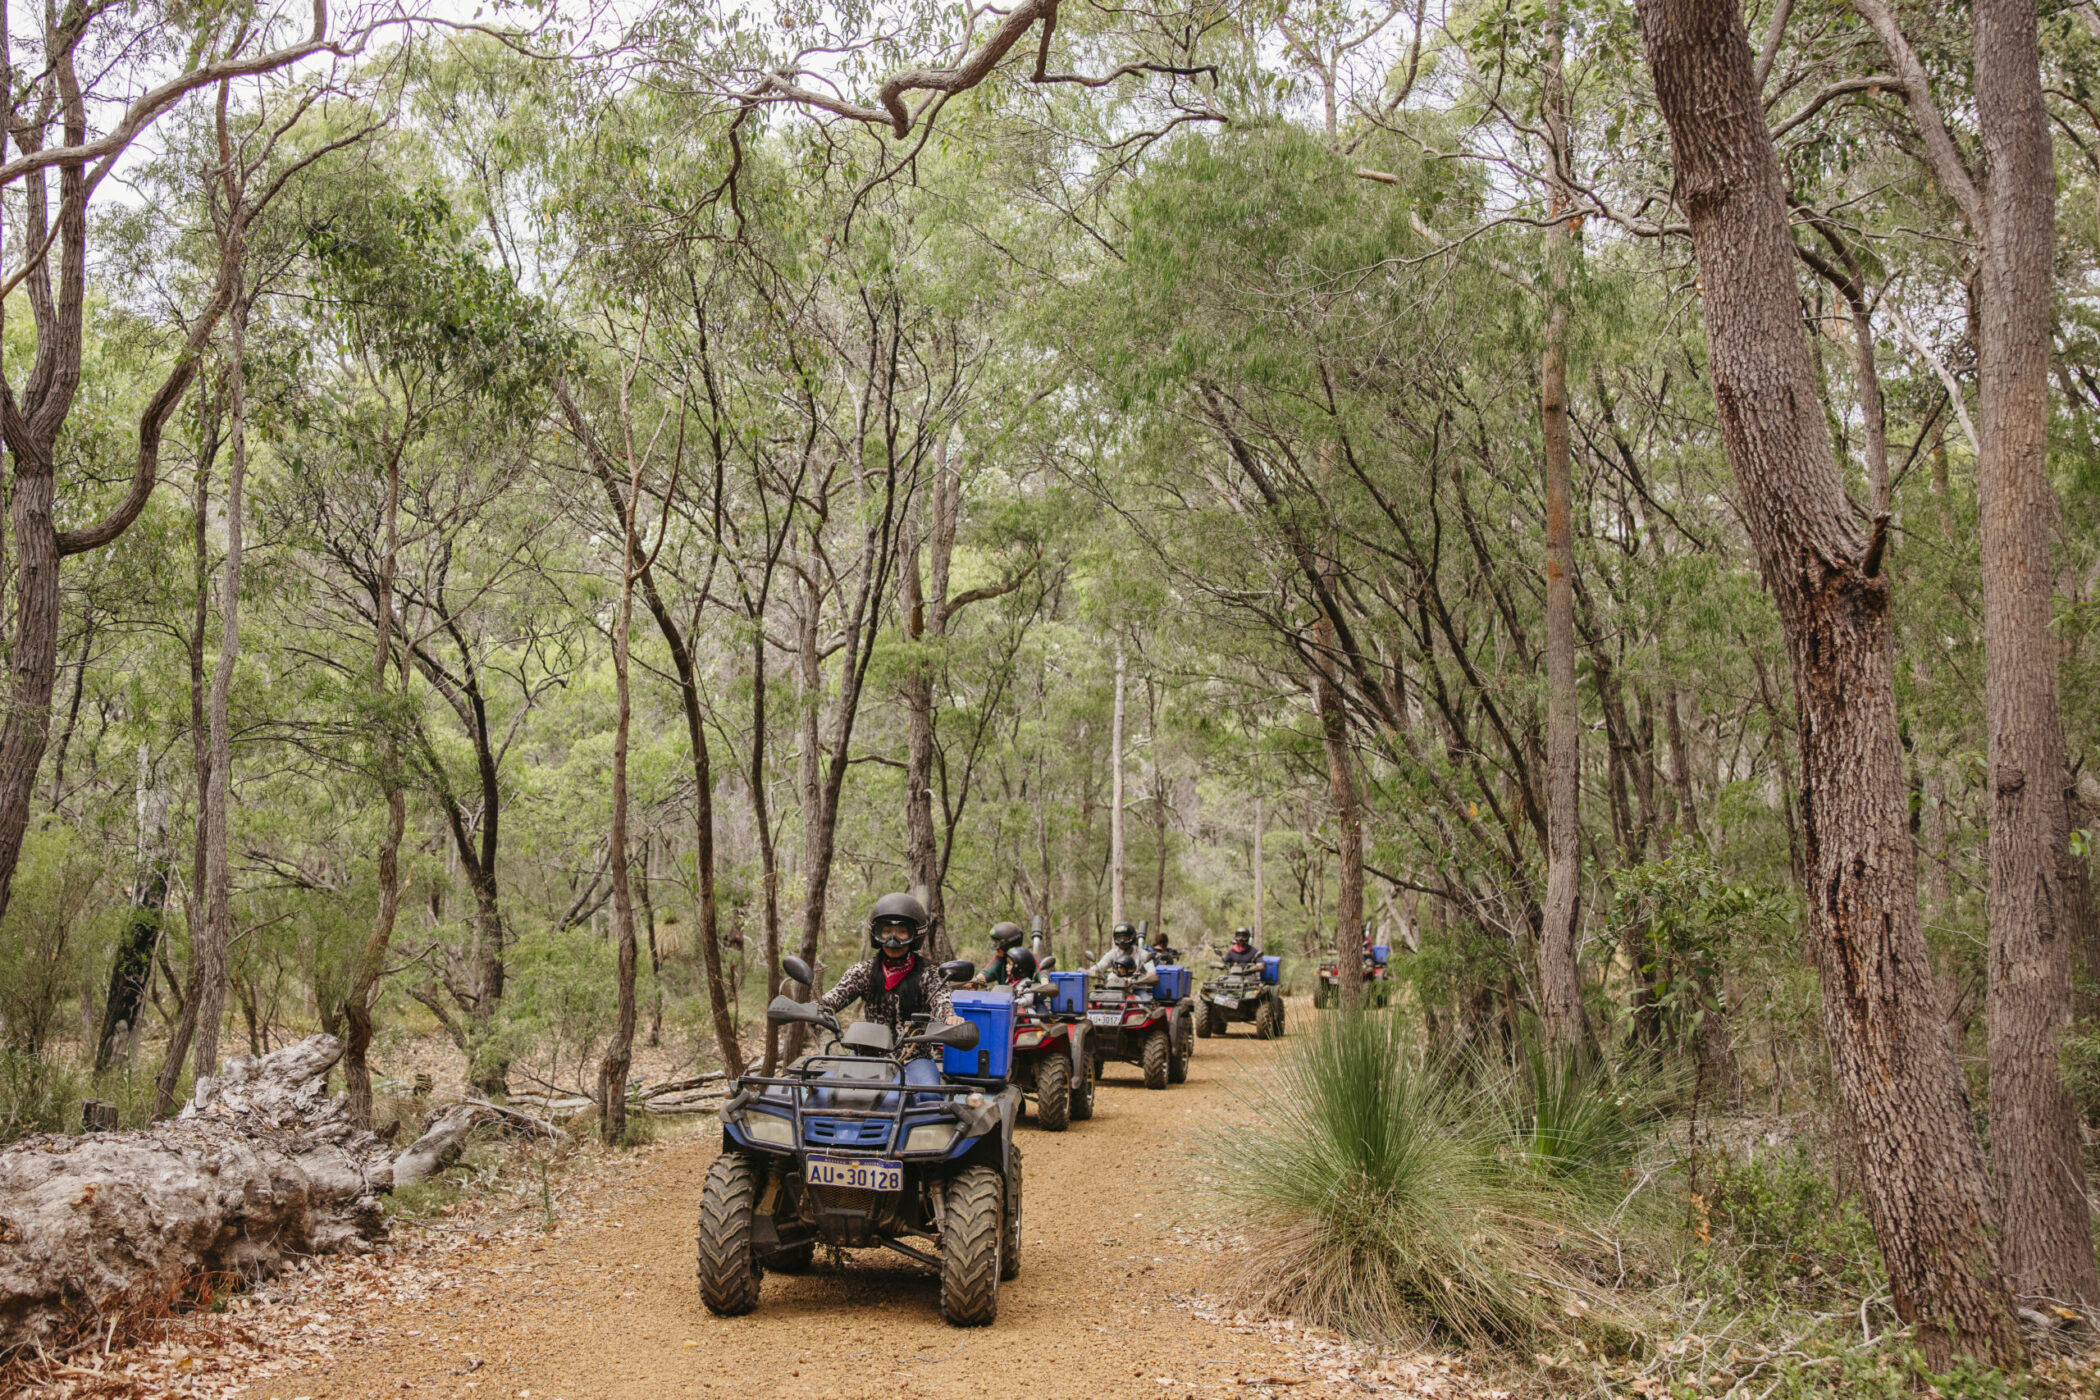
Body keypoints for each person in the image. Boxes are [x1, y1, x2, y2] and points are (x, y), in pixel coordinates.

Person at [816, 892, 958, 1091]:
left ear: (915, 934)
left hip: (914, 1058)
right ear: (877, 933)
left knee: (929, 1096)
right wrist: (815, 1008)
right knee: (822, 1090)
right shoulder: (862, 971)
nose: (893, 938)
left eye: (901, 931)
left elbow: (942, 1000)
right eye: (886, 930)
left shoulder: (930, 973)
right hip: (867, 1056)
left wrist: (950, 1017)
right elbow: (834, 997)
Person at [1092, 922, 1157, 983]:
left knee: (1144, 996)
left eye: (1125, 938)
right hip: (1115, 988)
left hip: (1137, 988)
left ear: (1132, 937)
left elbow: (1152, 972)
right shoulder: (1113, 953)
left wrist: (1147, 977)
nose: (1122, 941)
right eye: (1119, 938)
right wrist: (1089, 972)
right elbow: (1100, 966)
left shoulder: (1142, 953)